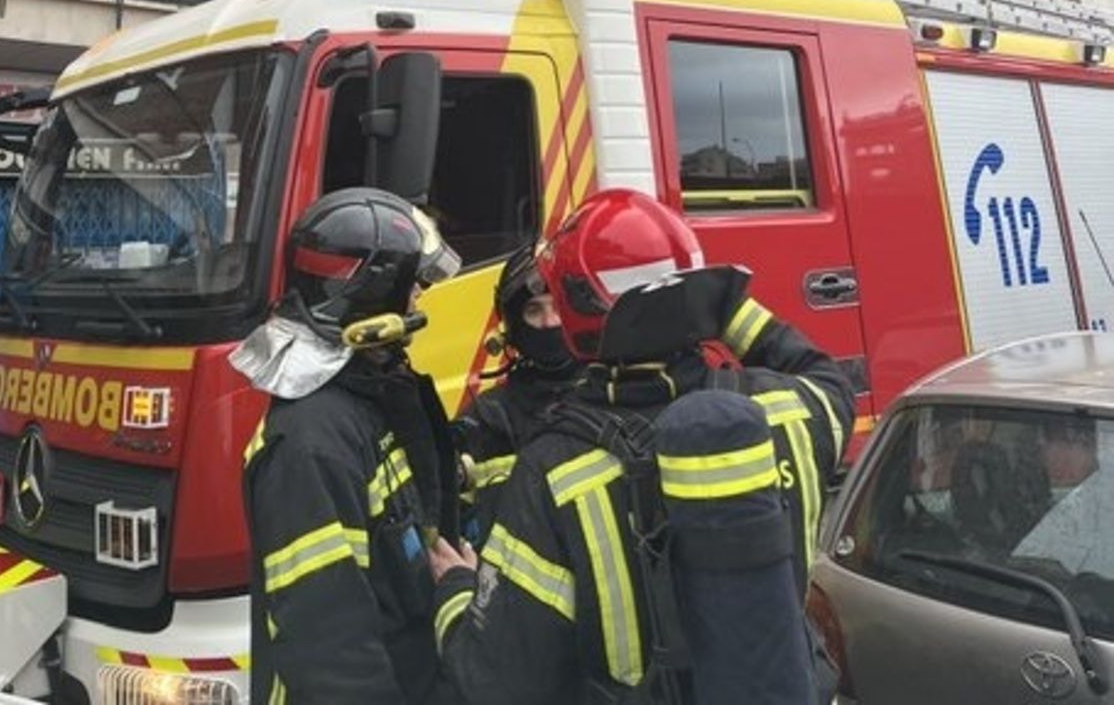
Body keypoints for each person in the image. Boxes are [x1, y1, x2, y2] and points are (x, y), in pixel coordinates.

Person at [429, 188, 855, 704]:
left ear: (577, 314)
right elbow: (825, 375)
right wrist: (715, 307)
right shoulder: (794, 411)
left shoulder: (556, 471)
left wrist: (454, 590)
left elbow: (500, 682)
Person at [233, 187, 464, 705]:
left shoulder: (364, 403)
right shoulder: (310, 444)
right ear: (373, 294)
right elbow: (332, 654)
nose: (420, 299)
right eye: (413, 285)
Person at [453, 243, 577, 541]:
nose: (548, 323)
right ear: (514, 325)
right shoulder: (487, 419)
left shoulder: (610, 395)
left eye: (557, 307)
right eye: (534, 311)